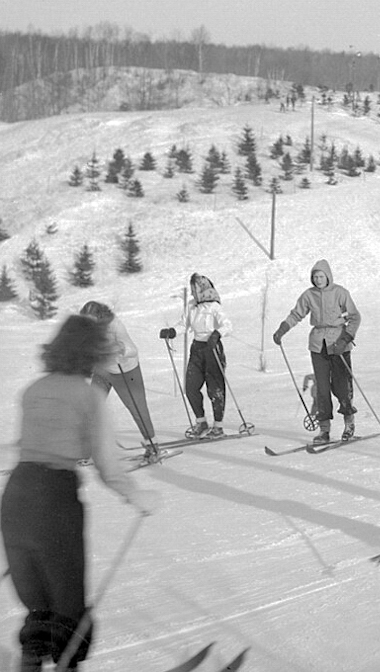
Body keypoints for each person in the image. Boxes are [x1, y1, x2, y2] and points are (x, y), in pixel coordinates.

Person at [2, 315, 157, 671]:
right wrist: (138, 497)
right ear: (90, 352)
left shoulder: (34, 389)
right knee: (67, 607)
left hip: (16, 496)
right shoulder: (88, 396)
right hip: (54, 500)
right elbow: (108, 465)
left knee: (37, 606)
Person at [273, 260, 362, 444]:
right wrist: (282, 330)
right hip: (317, 345)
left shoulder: (340, 293)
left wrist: (345, 338)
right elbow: (296, 314)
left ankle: (349, 423)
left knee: (341, 387)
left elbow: (354, 317)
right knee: (322, 388)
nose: (318, 279)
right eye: (315, 276)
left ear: (328, 276)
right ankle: (324, 430)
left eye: (321, 276)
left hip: (338, 344)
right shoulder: (308, 295)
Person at [79, 301, 158, 460]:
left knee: (137, 409)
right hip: (103, 370)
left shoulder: (115, 325)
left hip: (125, 371)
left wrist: (120, 348)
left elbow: (132, 349)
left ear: (99, 316)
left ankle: (152, 445)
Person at [166, 273, 231, 439]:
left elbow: (227, 325)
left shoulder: (214, 307)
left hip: (212, 347)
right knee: (191, 387)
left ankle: (218, 426)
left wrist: (217, 334)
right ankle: (201, 422)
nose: (193, 294)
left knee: (215, 388)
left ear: (202, 290)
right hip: (197, 349)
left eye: (194, 290)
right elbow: (184, 324)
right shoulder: (191, 306)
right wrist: (172, 331)